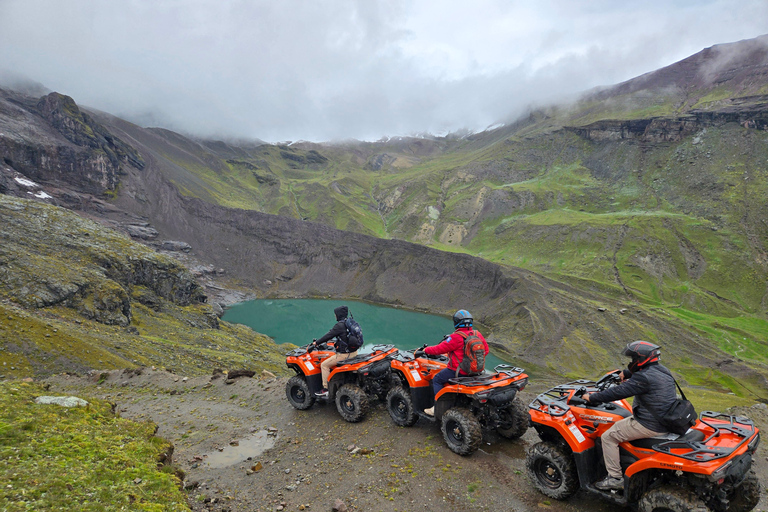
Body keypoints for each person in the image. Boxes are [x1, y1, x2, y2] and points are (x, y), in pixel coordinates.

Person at [583, 341, 678, 491]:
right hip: (666, 420)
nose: (632, 362)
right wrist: (627, 373)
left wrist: (591, 398)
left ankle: (614, 478)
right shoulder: (662, 370)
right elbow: (643, 373)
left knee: (608, 436)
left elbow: (617, 392)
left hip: (650, 424)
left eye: (634, 359)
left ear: (642, 358)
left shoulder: (643, 378)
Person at [416, 309, 489, 416]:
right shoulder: (477, 334)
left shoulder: (456, 337)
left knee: (437, 379)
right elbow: (485, 351)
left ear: (456, 322)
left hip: (459, 371)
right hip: (477, 371)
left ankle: (437, 407)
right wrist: (471, 361)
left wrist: (424, 350)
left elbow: (438, 349)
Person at [312, 305, 359, 398]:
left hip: (344, 355)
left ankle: (325, 389)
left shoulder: (339, 325)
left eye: (335, 314)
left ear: (339, 315)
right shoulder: (350, 322)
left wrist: (316, 343)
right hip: (354, 352)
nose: (335, 316)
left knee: (324, 365)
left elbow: (328, 336)